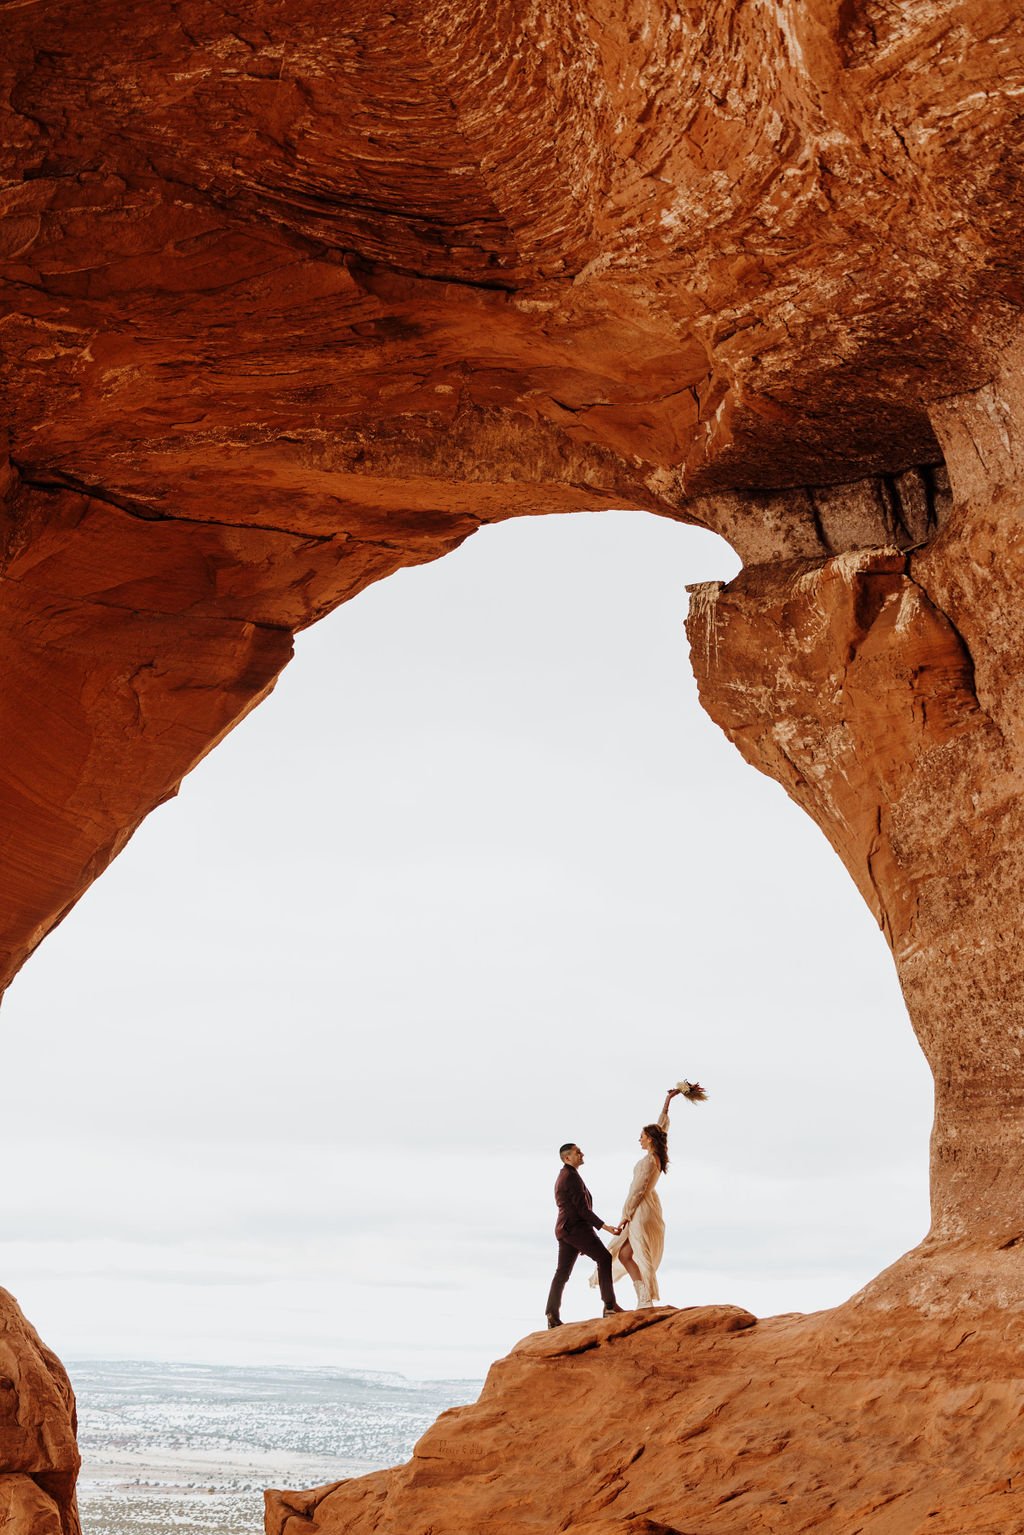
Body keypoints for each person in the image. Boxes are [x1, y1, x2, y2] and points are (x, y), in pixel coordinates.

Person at [595, 1081, 705, 1309]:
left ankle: (646, 1300)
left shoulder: (649, 1161)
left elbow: (637, 1191)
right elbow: (662, 1126)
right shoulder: (657, 1154)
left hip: (641, 1209)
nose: (639, 1139)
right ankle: (643, 1298)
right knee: (626, 1255)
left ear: (650, 1139)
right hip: (648, 1207)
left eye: (642, 1136)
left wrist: (625, 1216)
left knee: (639, 1253)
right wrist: (668, 1102)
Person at [544, 1142, 625, 1329]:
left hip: (567, 1230)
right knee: (604, 1258)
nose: (582, 1154)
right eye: (577, 1152)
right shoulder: (569, 1177)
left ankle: (552, 1314)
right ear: (567, 1158)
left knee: (562, 1273)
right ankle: (610, 1307)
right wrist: (606, 1227)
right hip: (576, 1228)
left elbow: (578, 1207)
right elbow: (582, 1210)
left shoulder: (567, 1175)